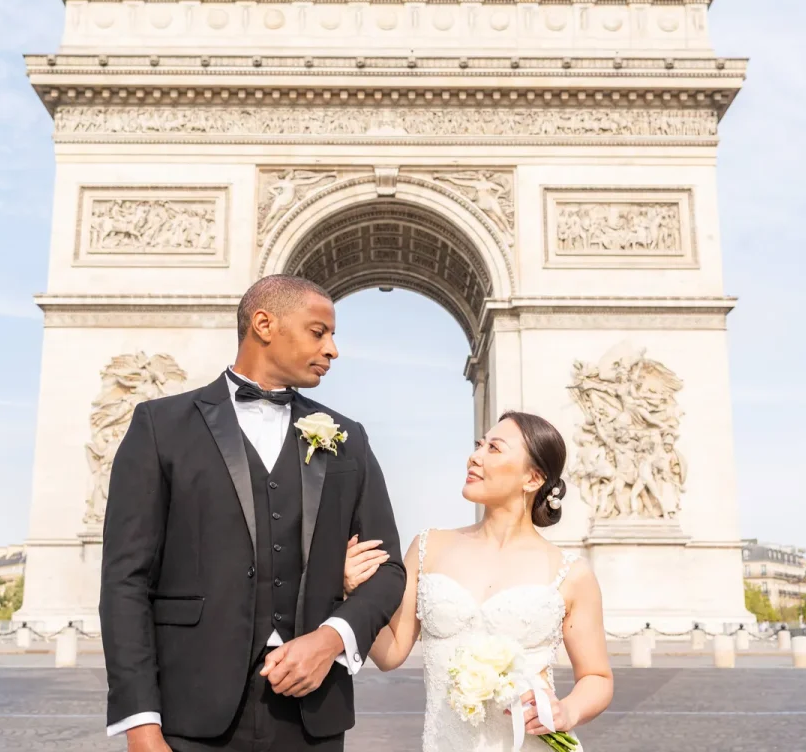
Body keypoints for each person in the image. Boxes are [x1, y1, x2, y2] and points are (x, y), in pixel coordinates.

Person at [100, 274, 406, 752]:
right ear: (264, 324)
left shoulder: (348, 438)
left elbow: (389, 570)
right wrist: (140, 723)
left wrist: (330, 639)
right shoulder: (160, 427)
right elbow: (126, 581)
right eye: (318, 332)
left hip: (313, 714)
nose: (332, 349)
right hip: (189, 714)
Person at [343, 411, 614, 750]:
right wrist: (352, 591)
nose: (474, 456)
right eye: (478, 445)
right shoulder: (428, 547)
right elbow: (391, 653)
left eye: (494, 448)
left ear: (532, 478)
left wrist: (567, 711)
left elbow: (597, 677)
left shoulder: (572, 573)